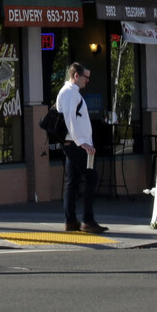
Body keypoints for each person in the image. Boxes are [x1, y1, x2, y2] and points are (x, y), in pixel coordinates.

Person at [57, 61, 106, 234]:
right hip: (76, 145)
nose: (87, 81)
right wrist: (82, 143)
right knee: (91, 178)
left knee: (73, 181)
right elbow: (70, 119)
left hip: (72, 143)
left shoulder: (70, 92)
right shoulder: (70, 93)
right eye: (86, 77)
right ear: (76, 75)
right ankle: (87, 220)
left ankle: (70, 220)